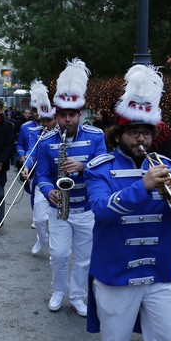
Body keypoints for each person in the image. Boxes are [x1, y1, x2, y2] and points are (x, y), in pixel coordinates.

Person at [84, 64, 171, 341]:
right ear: (118, 135)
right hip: (117, 270)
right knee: (115, 338)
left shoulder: (169, 167)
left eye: (146, 132)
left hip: (159, 270)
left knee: (168, 339)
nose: (141, 140)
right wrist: (142, 186)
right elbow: (101, 210)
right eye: (134, 133)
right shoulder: (98, 168)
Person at [35, 58, 106, 317]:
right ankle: (58, 291)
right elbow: (40, 176)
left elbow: (107, 173)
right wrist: (47, 191)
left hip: (87, 209)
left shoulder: (97, 137)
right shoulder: (46, 141)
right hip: (60, 209)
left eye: (72, 115)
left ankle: (78, 296)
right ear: (57, 115)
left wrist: (84, 168)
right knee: (59, 255)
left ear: (80, 114)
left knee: (84, 259)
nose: (67, 120)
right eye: (62, 115)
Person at [20, 80, 55, 255]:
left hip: (61, 182)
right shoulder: (35, 133)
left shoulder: (62, 135)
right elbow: (31, 153)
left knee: (59, 219)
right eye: (44, 120)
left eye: (49, 120)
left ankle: (57, 247)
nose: (46, 123)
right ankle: (42, 239)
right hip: (42, 179)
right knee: (40, 218)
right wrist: (26, 167)